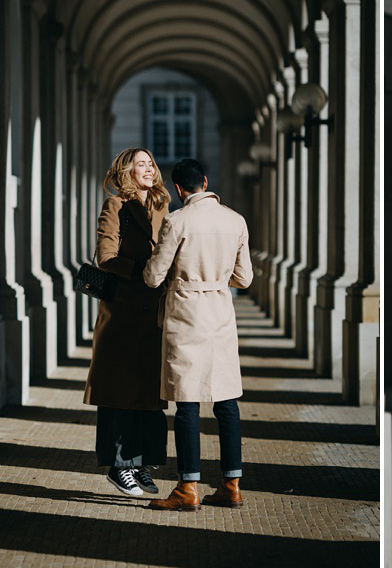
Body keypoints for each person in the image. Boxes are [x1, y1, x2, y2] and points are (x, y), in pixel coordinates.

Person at [142, 158, 253, 511]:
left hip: (186, 313)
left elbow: (152, 276)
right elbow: (245, 278)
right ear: (206, 182)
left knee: (187, 402)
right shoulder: (235, 220)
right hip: (220, 312)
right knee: (226, 402)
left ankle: (188, 488)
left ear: (178, 189)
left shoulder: (177, 221)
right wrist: (218, 280)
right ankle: (231, 485)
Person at [86, 148, 172, 497]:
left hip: (154, 313)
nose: (149, 169)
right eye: (141, 164)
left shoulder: (163, 206)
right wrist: (144, 273)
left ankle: (141, 464)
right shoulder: (115, 205)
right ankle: (120, 466)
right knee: (122, 392)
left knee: (149, 393)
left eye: (151, 163)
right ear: (127, 170)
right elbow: (105, 257)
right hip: (124, 312)